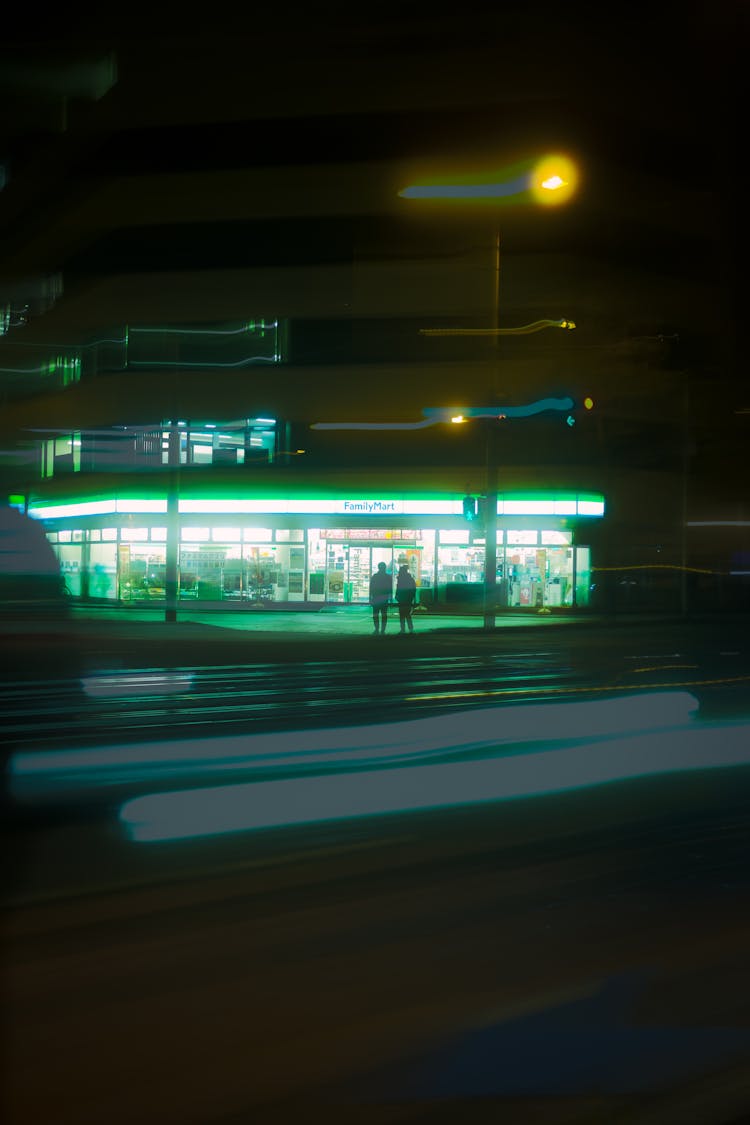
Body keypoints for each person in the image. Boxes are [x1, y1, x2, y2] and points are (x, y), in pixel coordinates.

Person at [369, 561, 392, 634]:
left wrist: (370, 598)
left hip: (376, 598)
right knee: (384, 615)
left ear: (378, 568)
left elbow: (371, 588)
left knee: (375, 614)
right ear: (385, 568)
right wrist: (390, 598)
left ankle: (376, 629)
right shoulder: (388, 577)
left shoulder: (375, 576)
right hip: (384, 598)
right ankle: (383, 630)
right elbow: (390, 588)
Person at [395, 563, 417, 633]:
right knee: (407, 614)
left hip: (402, 599)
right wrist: (412, 598)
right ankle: (410, 628)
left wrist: (397, 596)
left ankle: (403, 629)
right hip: (408, 599)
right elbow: (413, 589)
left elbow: (398, 588)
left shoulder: (401, 579)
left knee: (402, 614)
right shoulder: (410, 579)